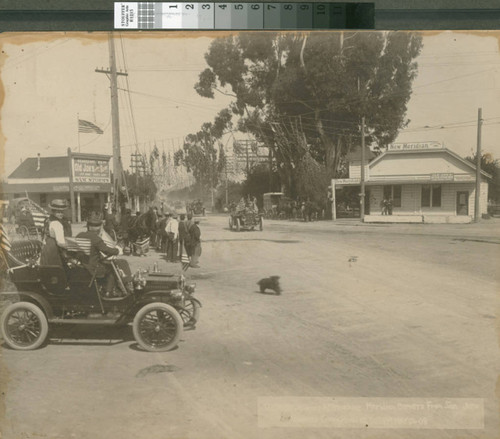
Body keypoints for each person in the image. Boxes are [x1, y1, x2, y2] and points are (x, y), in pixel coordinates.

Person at [76, 212, 122, 298]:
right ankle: (108, 292)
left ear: (88, 226)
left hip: (82, 267)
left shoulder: (79, 235)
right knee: (111, 269)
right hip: (93, 269)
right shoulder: (96, 238)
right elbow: (106, 250)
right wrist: (117, 250)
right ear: (99, 228)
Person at [40, 199, 70, 266]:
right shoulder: (57, 224)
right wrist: (72, 247)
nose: (61, 214)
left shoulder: (48, 220)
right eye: (58, 212)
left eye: (62, 212)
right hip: (54, 251)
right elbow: (61, 243)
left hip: (46, 248)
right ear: (53, 211)